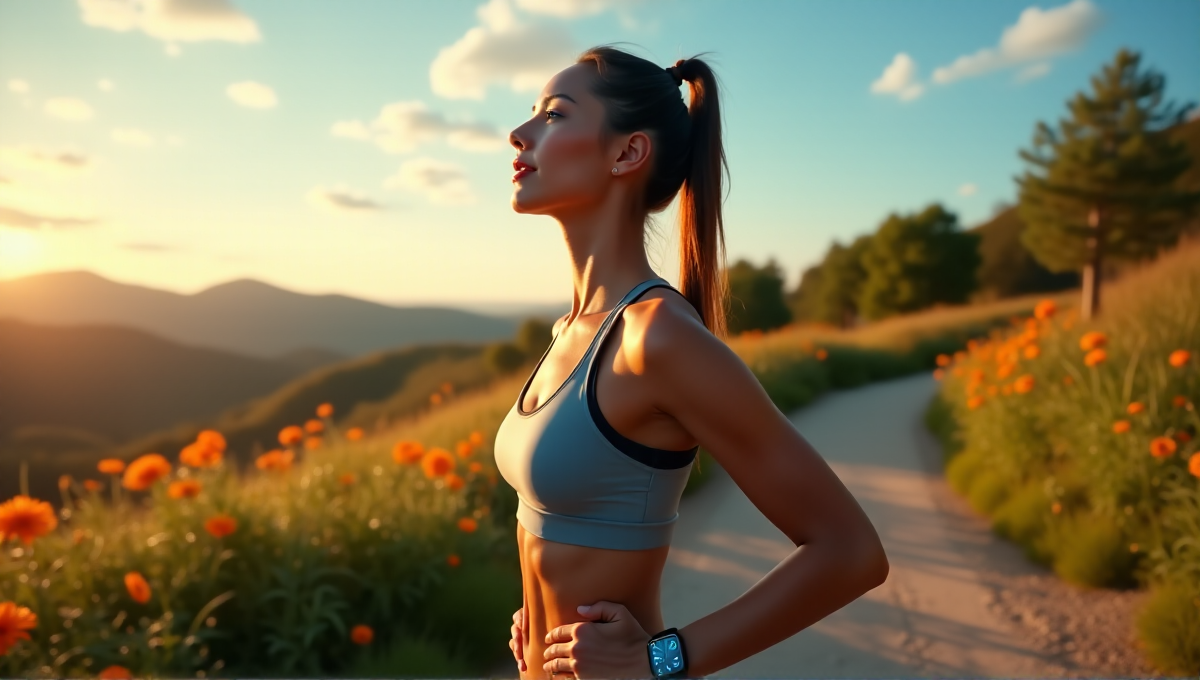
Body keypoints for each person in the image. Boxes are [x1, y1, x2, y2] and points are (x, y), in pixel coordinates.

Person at [495, 45, 889, 679]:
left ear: (627, 153)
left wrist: (661, 660)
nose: (519, 132)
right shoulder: (571, 329)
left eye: (555, 115)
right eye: (532, 113)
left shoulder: (660, 340)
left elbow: (851, 553)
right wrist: (535, 615)